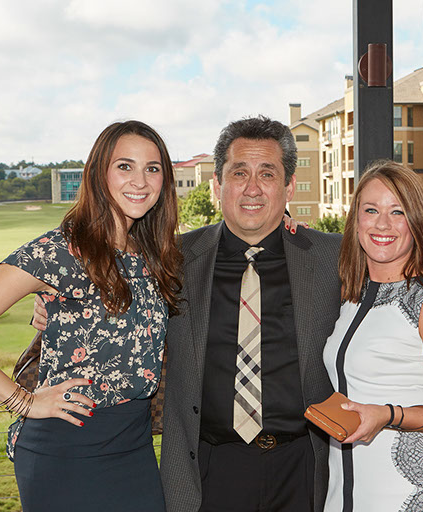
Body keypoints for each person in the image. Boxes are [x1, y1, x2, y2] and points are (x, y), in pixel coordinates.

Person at [0, 120, 181, 510]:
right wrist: (24, 402)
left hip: (134, 447)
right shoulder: (61, 250)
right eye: (124, 166)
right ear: (98, 174)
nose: (140, 181)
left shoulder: (151, 256)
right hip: (67, 450)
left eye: (153, 168)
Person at [160, 116, 342, 511]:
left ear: (289, 186)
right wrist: (47, 305)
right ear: (217, 185)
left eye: (267, 174)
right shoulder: (172, 261)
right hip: (210, 469)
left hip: (304, 468)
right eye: (239, 172)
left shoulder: (334, 258)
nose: (253, 188)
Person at [323, 161, 423, 512]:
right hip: (346, 490)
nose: (382, 224)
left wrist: (388, 414)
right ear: (355, 220)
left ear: (417, 223)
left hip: (413, 489)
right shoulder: (351, 295)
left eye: (398, 212)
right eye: (371, 210)